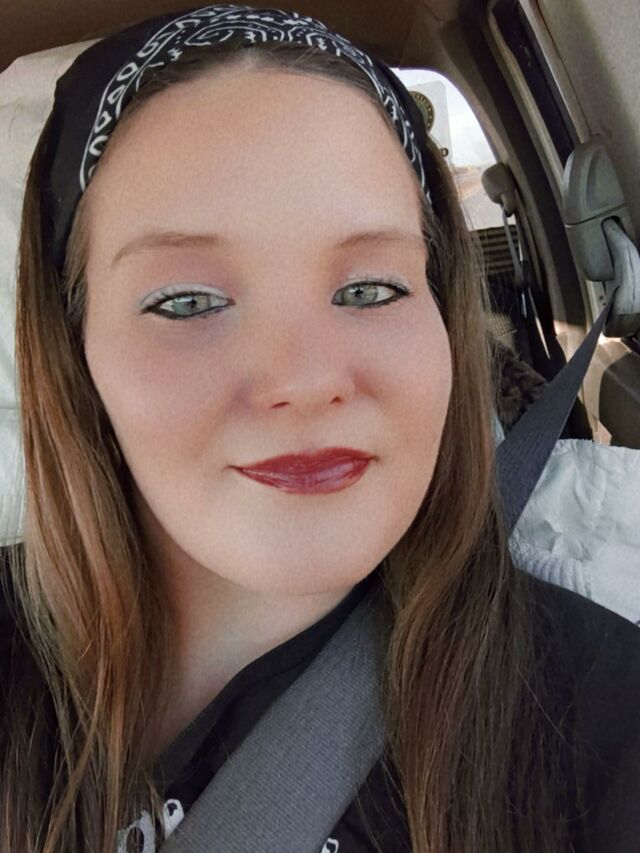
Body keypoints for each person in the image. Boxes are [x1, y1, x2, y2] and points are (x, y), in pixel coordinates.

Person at [1, 5, 639, 852]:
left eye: (370, 289)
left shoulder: (604, 722)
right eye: (186, 301)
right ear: (72, 350)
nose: (304, 382)